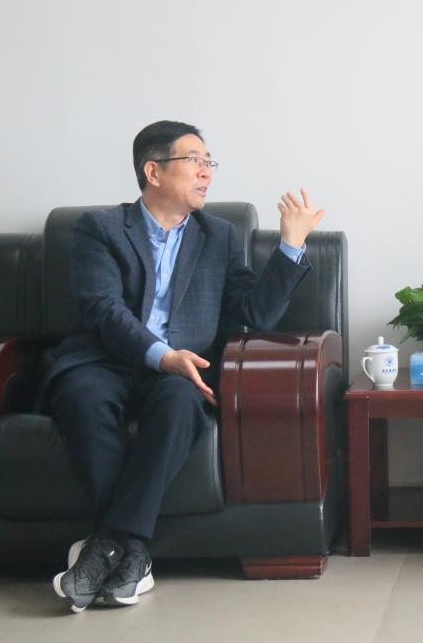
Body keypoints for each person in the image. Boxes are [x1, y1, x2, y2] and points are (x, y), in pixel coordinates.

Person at [44, 120, 325, 612]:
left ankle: (107, 546)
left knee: (179, 402)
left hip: (181, 372)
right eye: (194, 161)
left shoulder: (218, 236)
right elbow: (103, 309)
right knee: (83, 397)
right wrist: (162, 354)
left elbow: (255, 312)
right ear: (153, 171)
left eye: (209, 162)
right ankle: (132, 552)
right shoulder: (99, 228)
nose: (206, 173)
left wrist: (291, 244)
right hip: (104, 361)